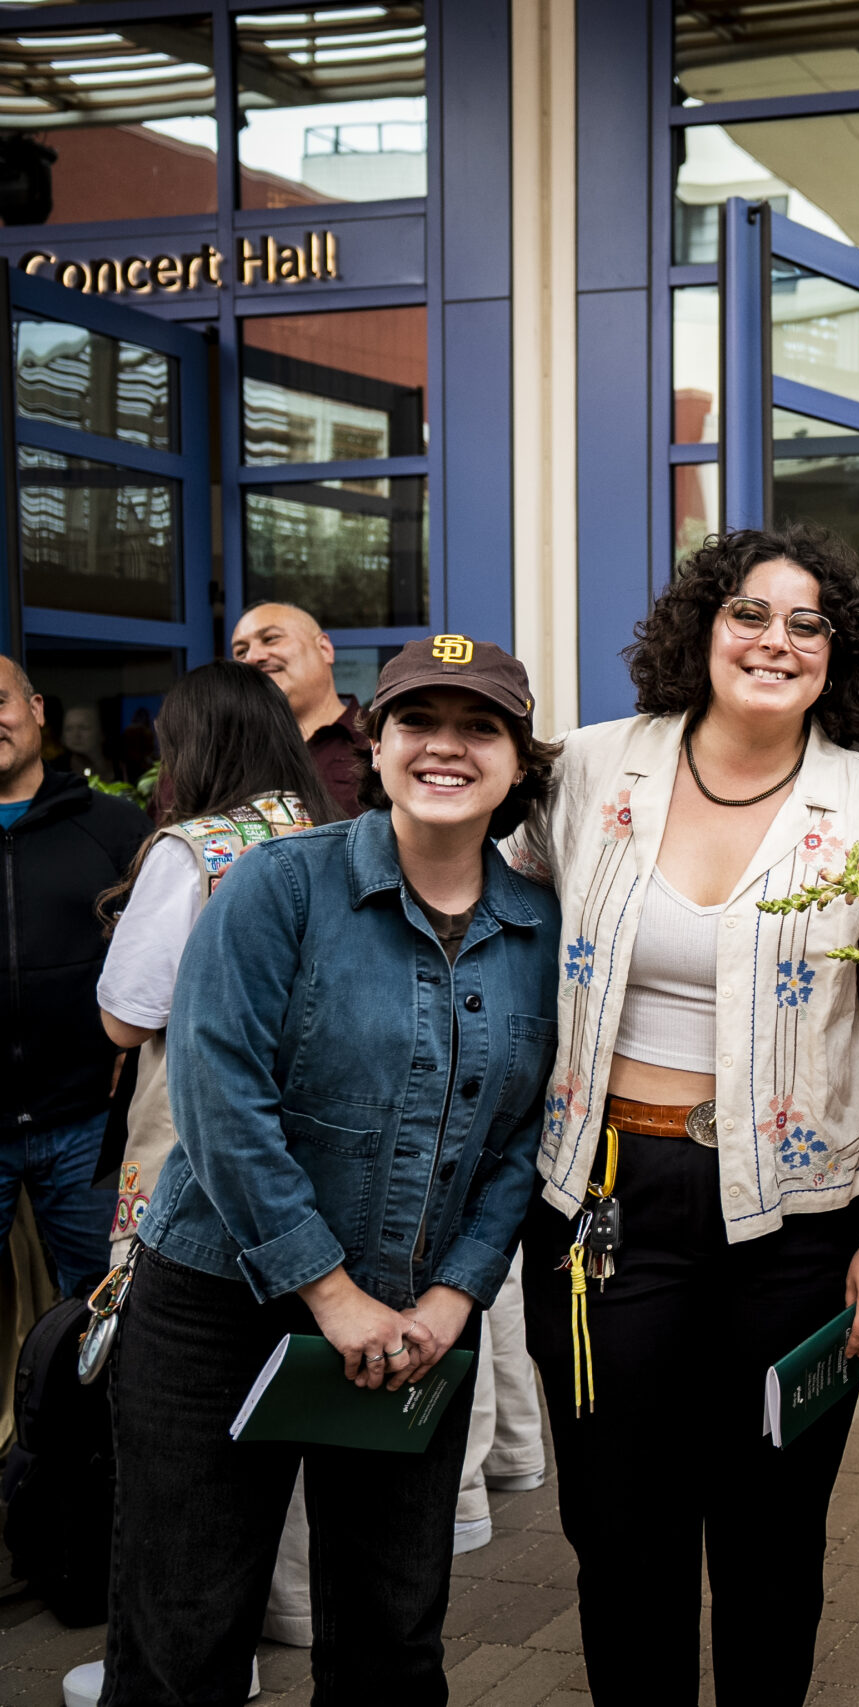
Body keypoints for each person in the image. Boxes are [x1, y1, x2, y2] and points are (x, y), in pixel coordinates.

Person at [513, 523, 859, 1705]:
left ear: (836, 654)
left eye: (808, 624)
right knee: (621, 1535)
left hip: (799, 1225)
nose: (775, 641)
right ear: (701, 628)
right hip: (604, 1207)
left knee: (772, 1541)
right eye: (750, 612)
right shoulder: (589, 769)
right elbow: (489, 914)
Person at [104, 634, 561, 1704]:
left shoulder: (542, 931)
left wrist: (455, 1297)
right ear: (377, 744)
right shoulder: (280, 884)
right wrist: (329, 1291)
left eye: (480, 727)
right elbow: (219, 1098)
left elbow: (527, 1137)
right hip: (216, 1306)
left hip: (414, 1324)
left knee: (392, 1638)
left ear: (516, 766)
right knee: (186, 1632)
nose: (445, 746)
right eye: (418, 722)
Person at [91, 661, 338, 1267]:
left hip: (201, 1151)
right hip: (323, 1142)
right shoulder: (342, 835)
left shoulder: (194, 851)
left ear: (191, 749)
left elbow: (126, 1023)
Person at [0, 653, 149, 1300]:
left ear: (35, 710)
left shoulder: (112, 825)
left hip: (87, 1121)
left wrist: (134, 1053)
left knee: (101, 1307)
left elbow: (162, 958)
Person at [233, 602, 368, 817]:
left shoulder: (380, 739)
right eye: (241, 652)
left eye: (270, 638)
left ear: (324, 649)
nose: (252, 657)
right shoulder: (229, 751)